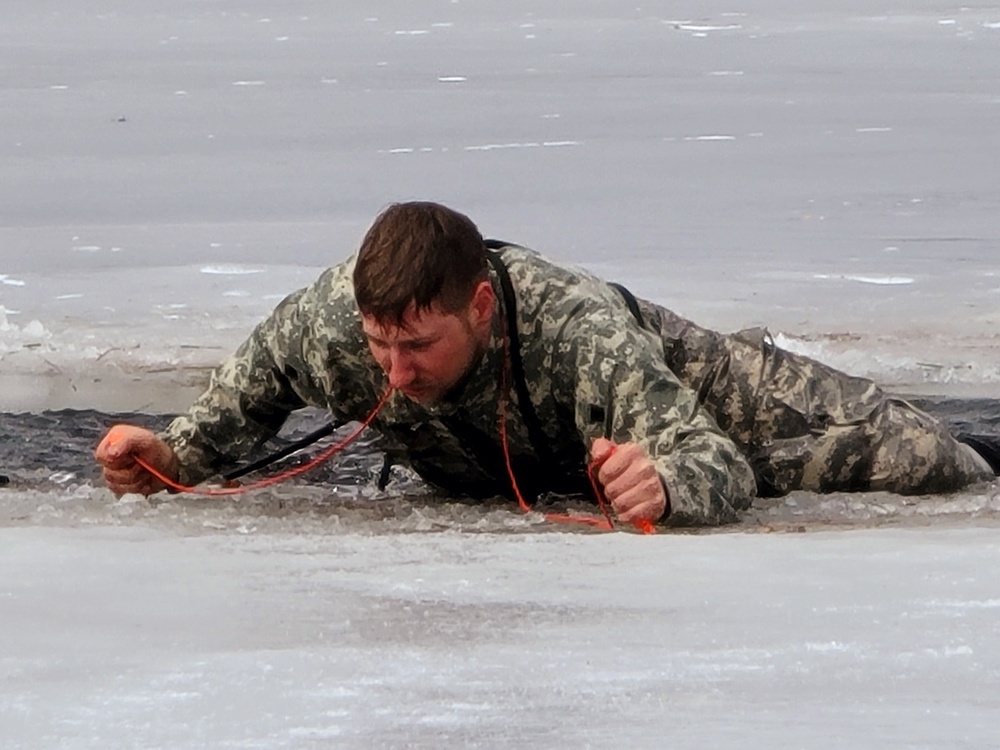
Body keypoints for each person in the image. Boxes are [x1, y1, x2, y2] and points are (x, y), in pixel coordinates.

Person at [95, 202, 997, 526]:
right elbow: (211, 435)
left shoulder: (576, 329)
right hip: (553, 460)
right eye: (381, 348)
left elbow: (709, 456)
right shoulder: (323, 326)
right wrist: (159, 458)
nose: (395, 373)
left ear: (479, 306)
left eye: (419, 347)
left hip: (711, 395)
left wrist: (668, 487)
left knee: (936, 461)